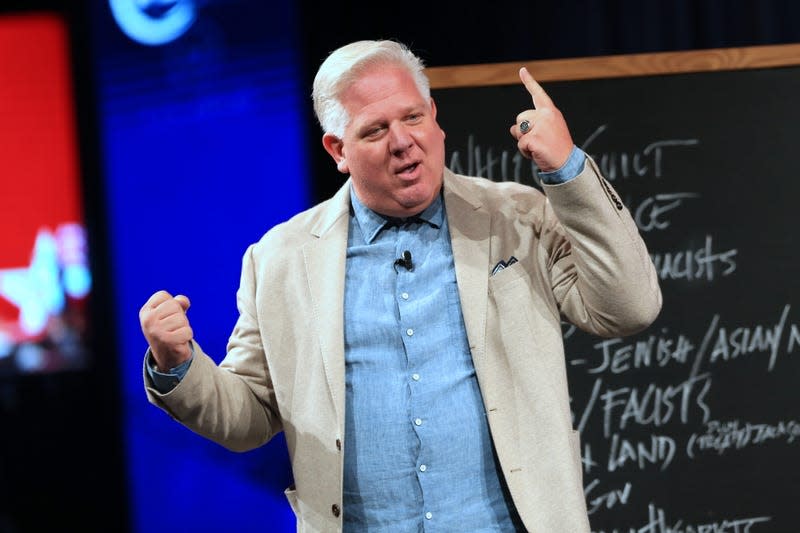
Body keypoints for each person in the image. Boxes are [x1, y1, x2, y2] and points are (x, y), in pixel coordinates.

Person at [140, 39, 662, 532]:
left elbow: (629, 307)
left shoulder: (518, 217)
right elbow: (248, 415)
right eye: (374, 130)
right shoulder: (279, 259)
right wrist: (177, 366)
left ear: (435, 119)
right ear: (337, 149)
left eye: (413, 117)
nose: (402, 141)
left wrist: (569, 172)